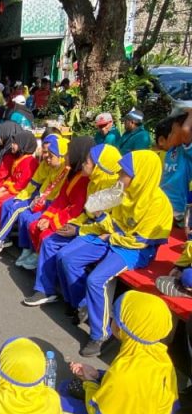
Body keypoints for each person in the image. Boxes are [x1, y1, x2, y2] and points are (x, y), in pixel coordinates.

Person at [58, 150, 172, 355]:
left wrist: (107, 229)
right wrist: (102, 218)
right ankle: (83, 305)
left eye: (124, 173)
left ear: (141, 176)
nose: (119, 177)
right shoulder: (120, 190)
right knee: (66, 258)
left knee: (96, 280)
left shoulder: (158, 204)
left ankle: (100, 334)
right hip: (110, 235)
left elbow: (138, 241)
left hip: (135, 250)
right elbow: (92, 206)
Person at [60, 291, 177, 414]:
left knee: (53, 407)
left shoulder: (126, 370)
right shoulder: (159, 356)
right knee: (67, 386)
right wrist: (97, 375)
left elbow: (97, 410)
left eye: (116, 318)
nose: (112, 320)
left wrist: (89, 382)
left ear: (126, 328)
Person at [24, 143, 122, 307]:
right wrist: (71, 225)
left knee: (66, 256)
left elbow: (104, 224)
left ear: (99, 167)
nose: (84, 163)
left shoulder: (110, 189)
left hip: (100, 233)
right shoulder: (92, 180)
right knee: (50, 242)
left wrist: (76, 229)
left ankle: (81, 302)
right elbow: (86, 212)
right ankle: (46, 290)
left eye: (88, 161)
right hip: (88, 226)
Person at [0, 134, 69, 255]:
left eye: (49, 153)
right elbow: (34, 183)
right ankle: (0, 235)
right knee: (8, 204)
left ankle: (0, 240)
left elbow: (52, 192)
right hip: (37, 196)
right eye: (45, 151)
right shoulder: (47, 164)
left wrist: (28, 197)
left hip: (48, 202)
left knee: (17, 210)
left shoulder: (64, 170)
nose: (45, 156)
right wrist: (20, 197)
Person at [14, 137, 93, 271]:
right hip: (61, 211)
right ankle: (32, 253)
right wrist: (47, 217)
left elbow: (76, 209)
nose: (66, 157)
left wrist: (52, 222)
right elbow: (61, 199)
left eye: (68, 154)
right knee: (34, 224)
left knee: (45, 236)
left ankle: (44, 277)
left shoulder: (83, 179)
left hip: (77, 221)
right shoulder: (73, 173)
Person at [0, 131, 39, 237]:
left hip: (22, 192)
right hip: (14, 188)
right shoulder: (18, 159)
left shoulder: (30, 162)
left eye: (15, 143)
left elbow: (21, 184)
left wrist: (2, 192)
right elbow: (12, 178)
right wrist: (0, 190)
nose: (12, 145)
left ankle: (1, 232)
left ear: (23, 144)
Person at [155, 115, 192, 222]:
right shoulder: (171, 151)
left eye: (173, 132)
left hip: (176, 209)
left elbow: (185, 131)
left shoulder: (186, 153)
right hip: (162, 203)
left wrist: (190, 113)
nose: (170, 135)